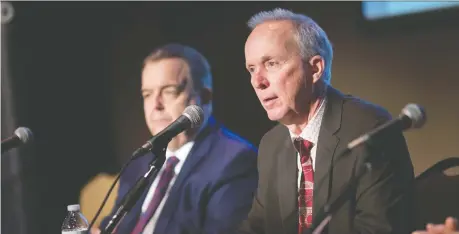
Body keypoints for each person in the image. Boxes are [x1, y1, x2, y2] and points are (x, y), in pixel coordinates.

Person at [238, 8, 415, 234]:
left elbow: (380, 229)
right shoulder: (271, 145)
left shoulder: (370, 130)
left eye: (271, 63)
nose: (257, 81)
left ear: (315, 68)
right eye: (251, 69)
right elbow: (257, 227)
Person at [94, 44, 258, 234]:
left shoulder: (235, 161)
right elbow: (114, 225)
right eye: (147, 94)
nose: (156, 105)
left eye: (169, 91)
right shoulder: (140, 161)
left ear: (204, 97)